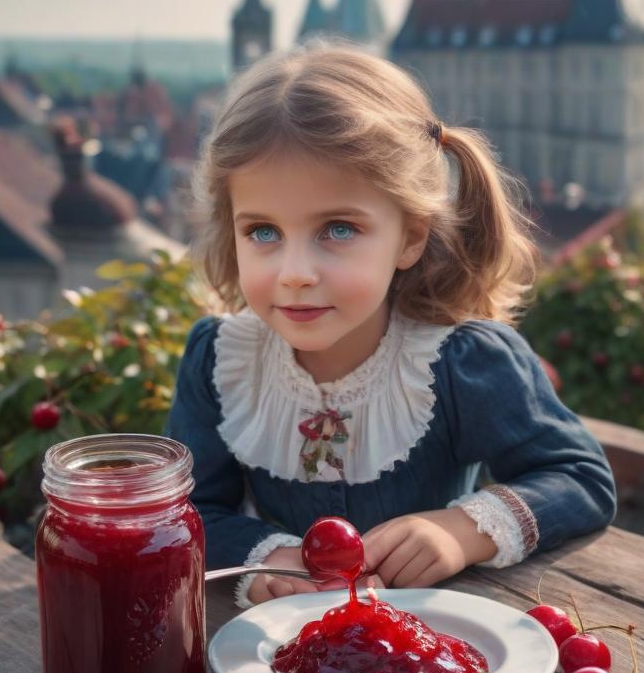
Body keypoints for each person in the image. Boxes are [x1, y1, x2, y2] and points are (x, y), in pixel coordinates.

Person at [167, 40, 616, 608]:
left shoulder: (462, 365)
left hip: (437, 645)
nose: (295, 273)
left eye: (337, 228)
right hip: (278, 653)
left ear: (409, 236)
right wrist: (266, 557)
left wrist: (460, 533)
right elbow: (187, 509)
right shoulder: (220, 363)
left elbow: (580, 479)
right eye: (262, 231)